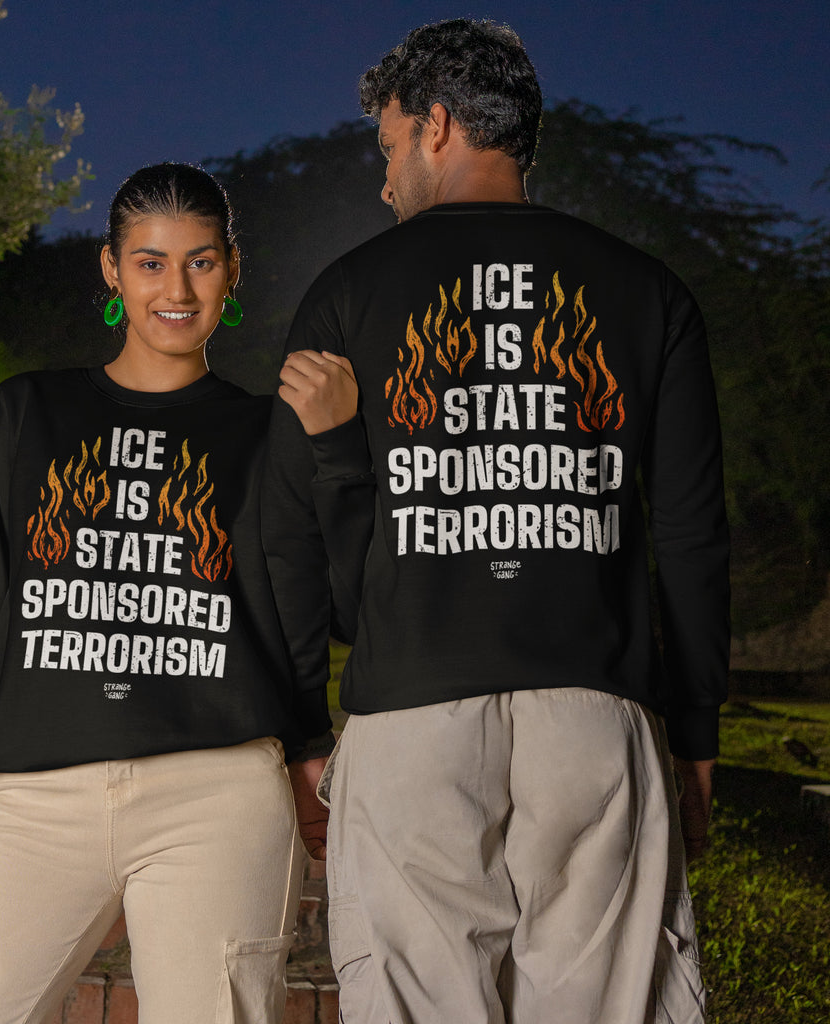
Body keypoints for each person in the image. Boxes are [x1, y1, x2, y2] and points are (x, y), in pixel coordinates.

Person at [265, 18, 729, 1024]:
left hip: (411, 723)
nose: (384, 181)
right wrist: (695, 732)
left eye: (389, 146)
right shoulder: (650, 294)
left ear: (437, 126)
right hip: (594, 721)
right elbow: (691, 534)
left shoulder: (346, 294)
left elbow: (289, 538)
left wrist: (303, 735)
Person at [0, 163, 335, 1024]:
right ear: (112, 270)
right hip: (36, 801)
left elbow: (296, 612)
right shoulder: (27, 414)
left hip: (220, 795)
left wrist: (309, 749)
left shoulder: (266, 433)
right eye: (151, 262)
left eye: (200, 261)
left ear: (231, 269)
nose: (176, 289)